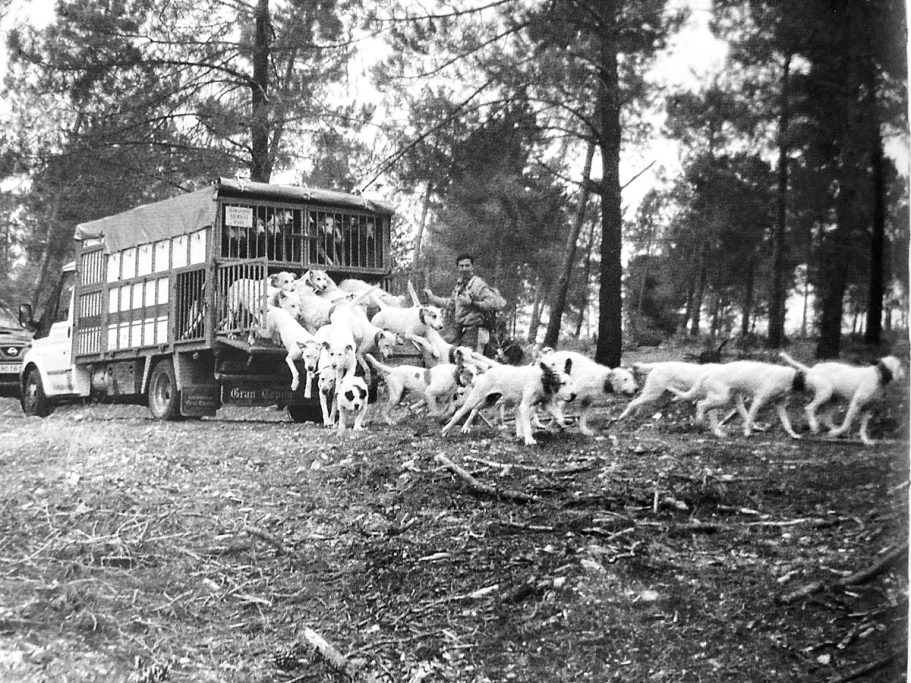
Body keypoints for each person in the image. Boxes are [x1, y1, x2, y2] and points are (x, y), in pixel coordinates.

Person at [424, 253, 505, 356]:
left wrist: (472, 303)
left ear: (472, 267)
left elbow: (496, 303)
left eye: (467, 265)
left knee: (472, 363)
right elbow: (451, 304)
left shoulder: (478, 284)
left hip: (476, 331)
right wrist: (433, 298)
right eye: (461, 266)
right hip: (462, 331)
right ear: (458, 268)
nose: (464, 269)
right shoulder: (460, 285)